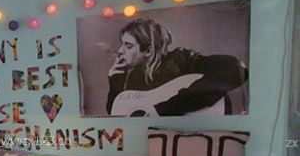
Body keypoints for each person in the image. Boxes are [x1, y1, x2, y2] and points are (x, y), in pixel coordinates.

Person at [106, 18, 248, 116]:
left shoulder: (181, 60)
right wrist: (115, 79)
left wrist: (165, 109)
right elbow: (117, 114)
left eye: (128, 46)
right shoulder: (134, 76)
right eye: (122, 44)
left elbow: (236, 69)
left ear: (148, 50)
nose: (120, 51)